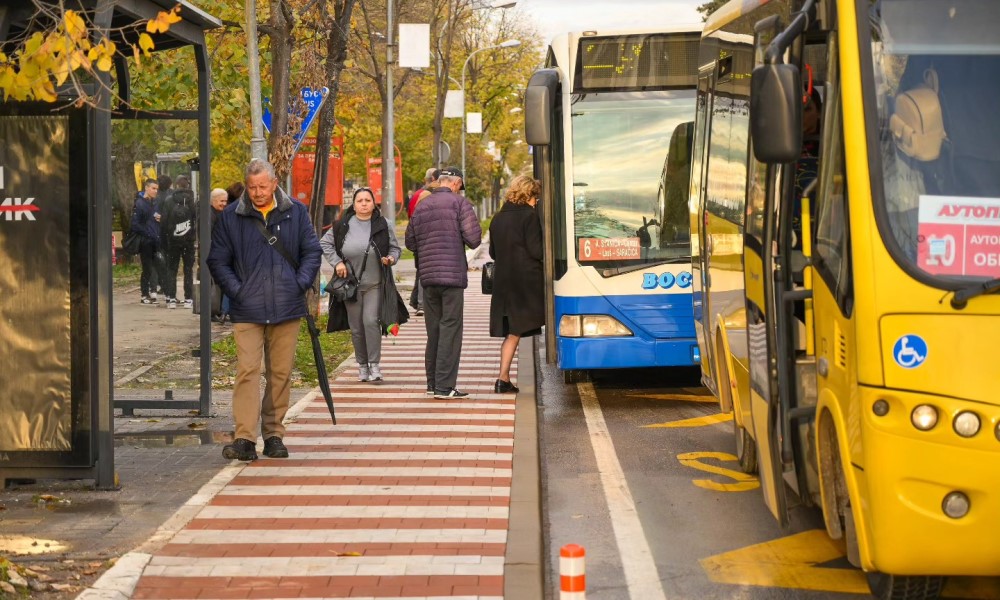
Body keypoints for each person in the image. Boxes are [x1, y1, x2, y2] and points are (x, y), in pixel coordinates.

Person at [207, 158, 322, 461]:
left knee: (280, 373)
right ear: (246, 186)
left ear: (274, 183)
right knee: (247, 370)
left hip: (287, 305)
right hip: (247, 307)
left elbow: (311, 251)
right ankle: (245, 437)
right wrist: (237, 290)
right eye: (252, 187)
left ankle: (273, 435)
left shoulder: (295, 211)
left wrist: (298, 283)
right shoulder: (232, 216)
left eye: (262, 186)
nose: (257, 192)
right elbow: (217, 259)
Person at [405, 166, 482, 399]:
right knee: (450, 328)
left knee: (434, 330)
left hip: (428, 277)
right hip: (451, 277)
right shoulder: (460, 204)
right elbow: (474, 239)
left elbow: (410, 242)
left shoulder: (422, 205)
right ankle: (444, 387)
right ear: (456, 182)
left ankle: (432, 384)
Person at [321, 188, 402, 382]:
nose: (364, 203)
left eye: (367, 200)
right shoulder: (342, 225)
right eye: (360, 200)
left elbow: (395, 248)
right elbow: (324, 244)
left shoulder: (383, 224)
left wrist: (391, 258)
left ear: (374, 203)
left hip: (375, 284)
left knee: (370, 322)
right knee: (356, 327)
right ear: (354, 204)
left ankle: (374, 365)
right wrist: (337, 263)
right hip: (351, 286)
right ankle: (363, 365)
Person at [488, 175, 544, 394]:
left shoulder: (498, 218)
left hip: (503, 281)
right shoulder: (529, 217)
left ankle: (503, 378)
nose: (536, 202)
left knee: (513, 331)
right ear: (528, 194)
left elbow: (493, 252)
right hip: (525, 282)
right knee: (516, 330)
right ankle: (502, 378)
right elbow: (536, 250)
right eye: (535, 197)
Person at [407, 167, 441, 316]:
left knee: (421, 272)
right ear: (434, 179)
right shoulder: (430, 195)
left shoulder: (417, 195)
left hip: (420, 241)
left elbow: (411, 217)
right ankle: (422, 303)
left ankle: (418, 302)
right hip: (431, 241)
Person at [160, 175, 197, 308]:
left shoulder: (169, 200)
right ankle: (188, 299)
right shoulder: (192, 200)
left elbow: (164, 222)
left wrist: (165, 239)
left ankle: (171, 298)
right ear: (187, 186)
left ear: (176, 185)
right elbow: (196, 220)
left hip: (173, 241)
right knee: (188, 270)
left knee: (172, 269)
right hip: (188, 241)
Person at [132, 178, 166, 304]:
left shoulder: (155, 202)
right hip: (146, 240)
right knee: (147, 267)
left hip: (156, 239)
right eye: (153, 188)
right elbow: (135, 224)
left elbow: (157, 217)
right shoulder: (140, 203)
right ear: (146, 188)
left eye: (156, 189)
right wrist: (148, 232)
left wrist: (161, 219)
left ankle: (154, 290)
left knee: (159, 265)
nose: (155, 191)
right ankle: (144, 294)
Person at [209, 188, 231, 321]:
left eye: (225, 201)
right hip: (214, 254)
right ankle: (216, 311)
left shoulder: (219, 213)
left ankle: (220, 311)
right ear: (213, 200)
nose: (224, 203)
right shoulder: (209, 215)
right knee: (216, 284)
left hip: (220, 253)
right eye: (221, 201)